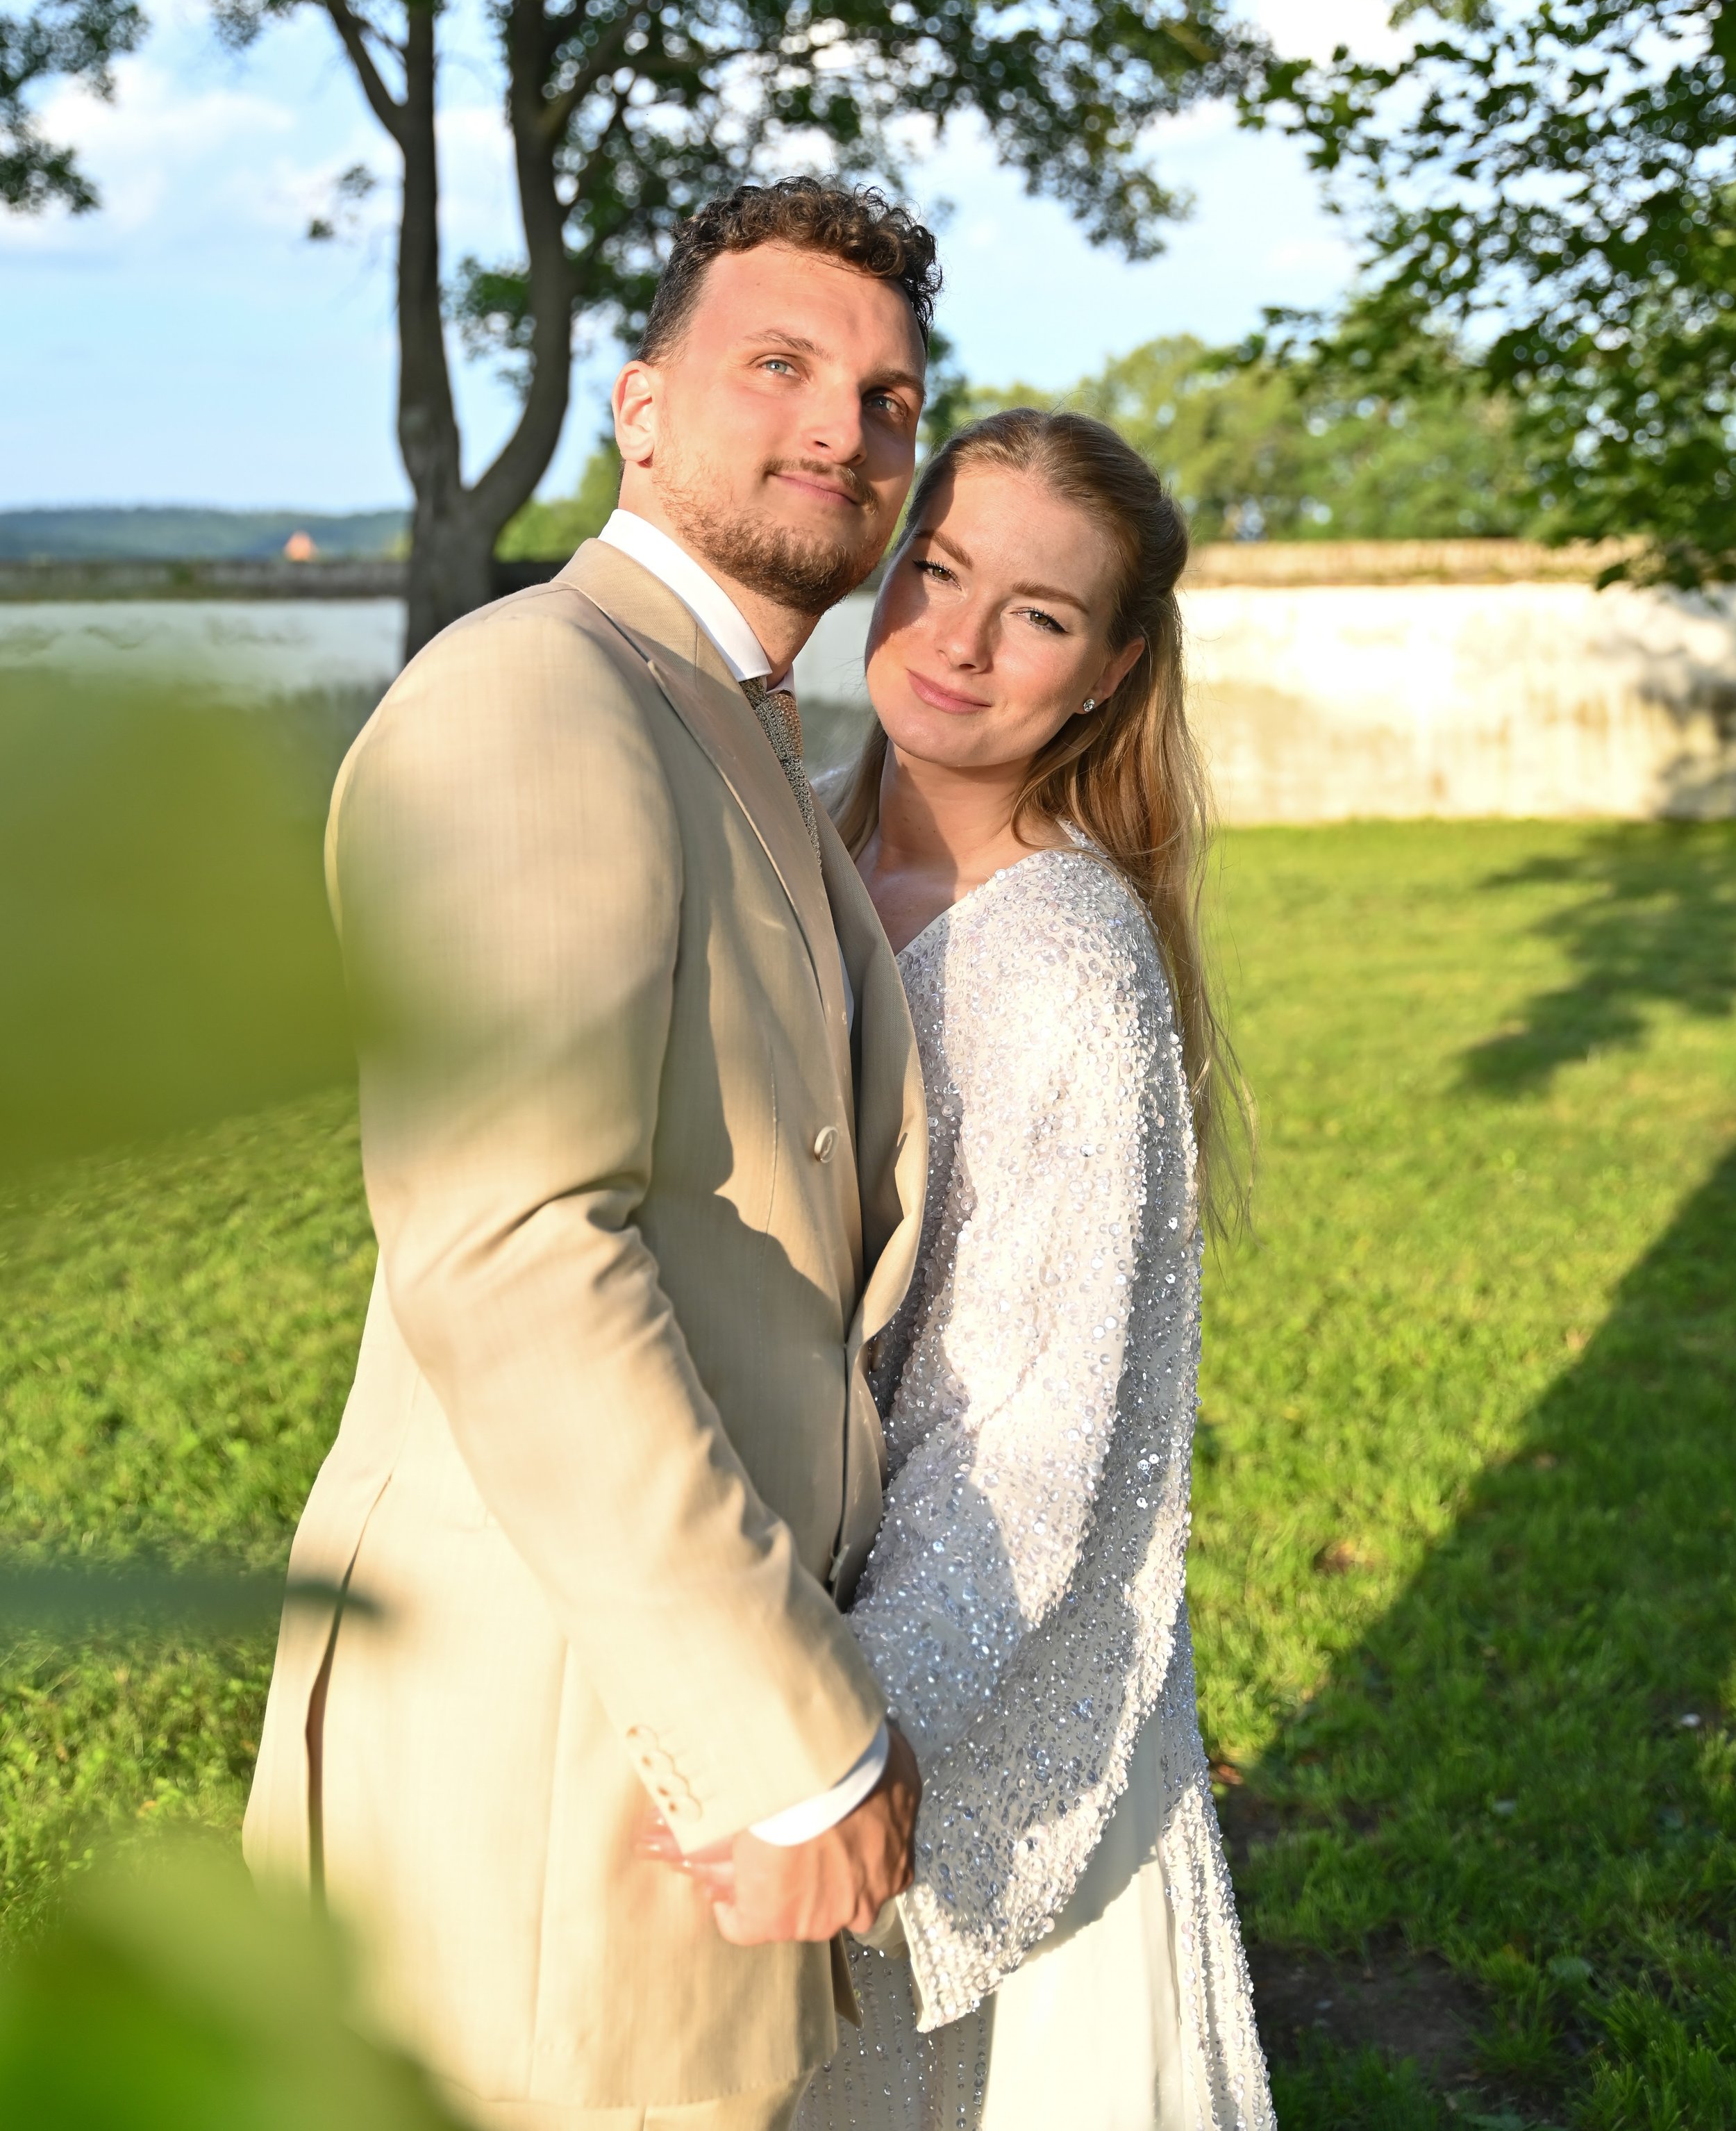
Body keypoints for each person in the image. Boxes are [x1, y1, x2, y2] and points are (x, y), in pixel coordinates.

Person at [244, 177, 942, 2131]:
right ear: (639, 409)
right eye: (780, 366)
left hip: (656, 1704)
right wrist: (784, 1743)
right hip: (555, 1726)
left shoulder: (728, 729)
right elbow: (512, 1243)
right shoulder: (540, 695)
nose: (842, 428)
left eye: (889, 398)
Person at [800, 408, 1274, 2128]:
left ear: (1106, 671)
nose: (959, 641)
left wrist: (838, 1754)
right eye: (938, 570)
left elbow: (1030, 1438)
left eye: (1039, 615)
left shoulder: (1059, 957)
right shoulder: (794, 847)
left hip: (953, 1675)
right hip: (780, 1615)